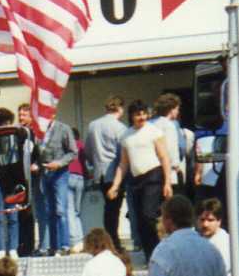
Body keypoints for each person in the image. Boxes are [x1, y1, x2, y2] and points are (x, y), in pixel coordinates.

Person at [107, 100, 172, 260]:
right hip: (136, 179)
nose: (142, 117)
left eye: (144, 114)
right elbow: (123, 164)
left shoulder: (154, 131)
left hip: (153, 175)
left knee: (148, 215)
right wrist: (115, 185)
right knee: (139, 221)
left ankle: (158, 252)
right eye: (138, 114)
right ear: (131, 116)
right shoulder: (126, 136)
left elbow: (164, 157)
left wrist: (167, 182)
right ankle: (150, 256)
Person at [84, 96, 129, 248]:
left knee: (109, 208)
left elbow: (88, 150)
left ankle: (111, 239)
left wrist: (94, 163)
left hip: (100, 172)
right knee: (114, 209)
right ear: (120, 109)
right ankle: (113, 241)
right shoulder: (120, 128)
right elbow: (123, 153)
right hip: (115, 171)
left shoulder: (93, 125)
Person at [0, 107, 30, 259]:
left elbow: (28, 149)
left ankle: (13, 248)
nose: (4, 126)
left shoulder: (16, 136)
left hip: (11, 175)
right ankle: (0, 249)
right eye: (1, 123)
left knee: (12, 214)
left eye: (7, 123)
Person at [34, 116, 79, 256]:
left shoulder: (63, 128)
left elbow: (73, 152)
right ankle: (54, 246)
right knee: (50, 211)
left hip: (60, 173)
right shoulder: (38, 130)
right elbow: (37, 152)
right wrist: (36, 163)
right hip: (44, 173)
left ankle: (64, 245)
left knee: (60, 210)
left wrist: (59, 163)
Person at [151, 93, 192, 196]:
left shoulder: (150, 124)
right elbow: (175, 149)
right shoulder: (170, 126)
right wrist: (177, 165)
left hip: (153, 171)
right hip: (169, 172)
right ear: (171, 109)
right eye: (177, 109)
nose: (178, 112)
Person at [15, 104, 39, 256]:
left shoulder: (34, 133)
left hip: (32, 177)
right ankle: (21, 244)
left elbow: (38, 152)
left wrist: (36, 164)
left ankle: (29, 245)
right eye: (20, 115)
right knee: (20, 211)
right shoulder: (17, 133)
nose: (21, 118)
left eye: (24, 115)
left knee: (29, 212)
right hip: (19, 177)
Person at [196, 197, 232, 276]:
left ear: (219, 221)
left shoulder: (224, 241)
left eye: (210, 220)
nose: (205, 224)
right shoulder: (196, 238)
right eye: (202, 219)